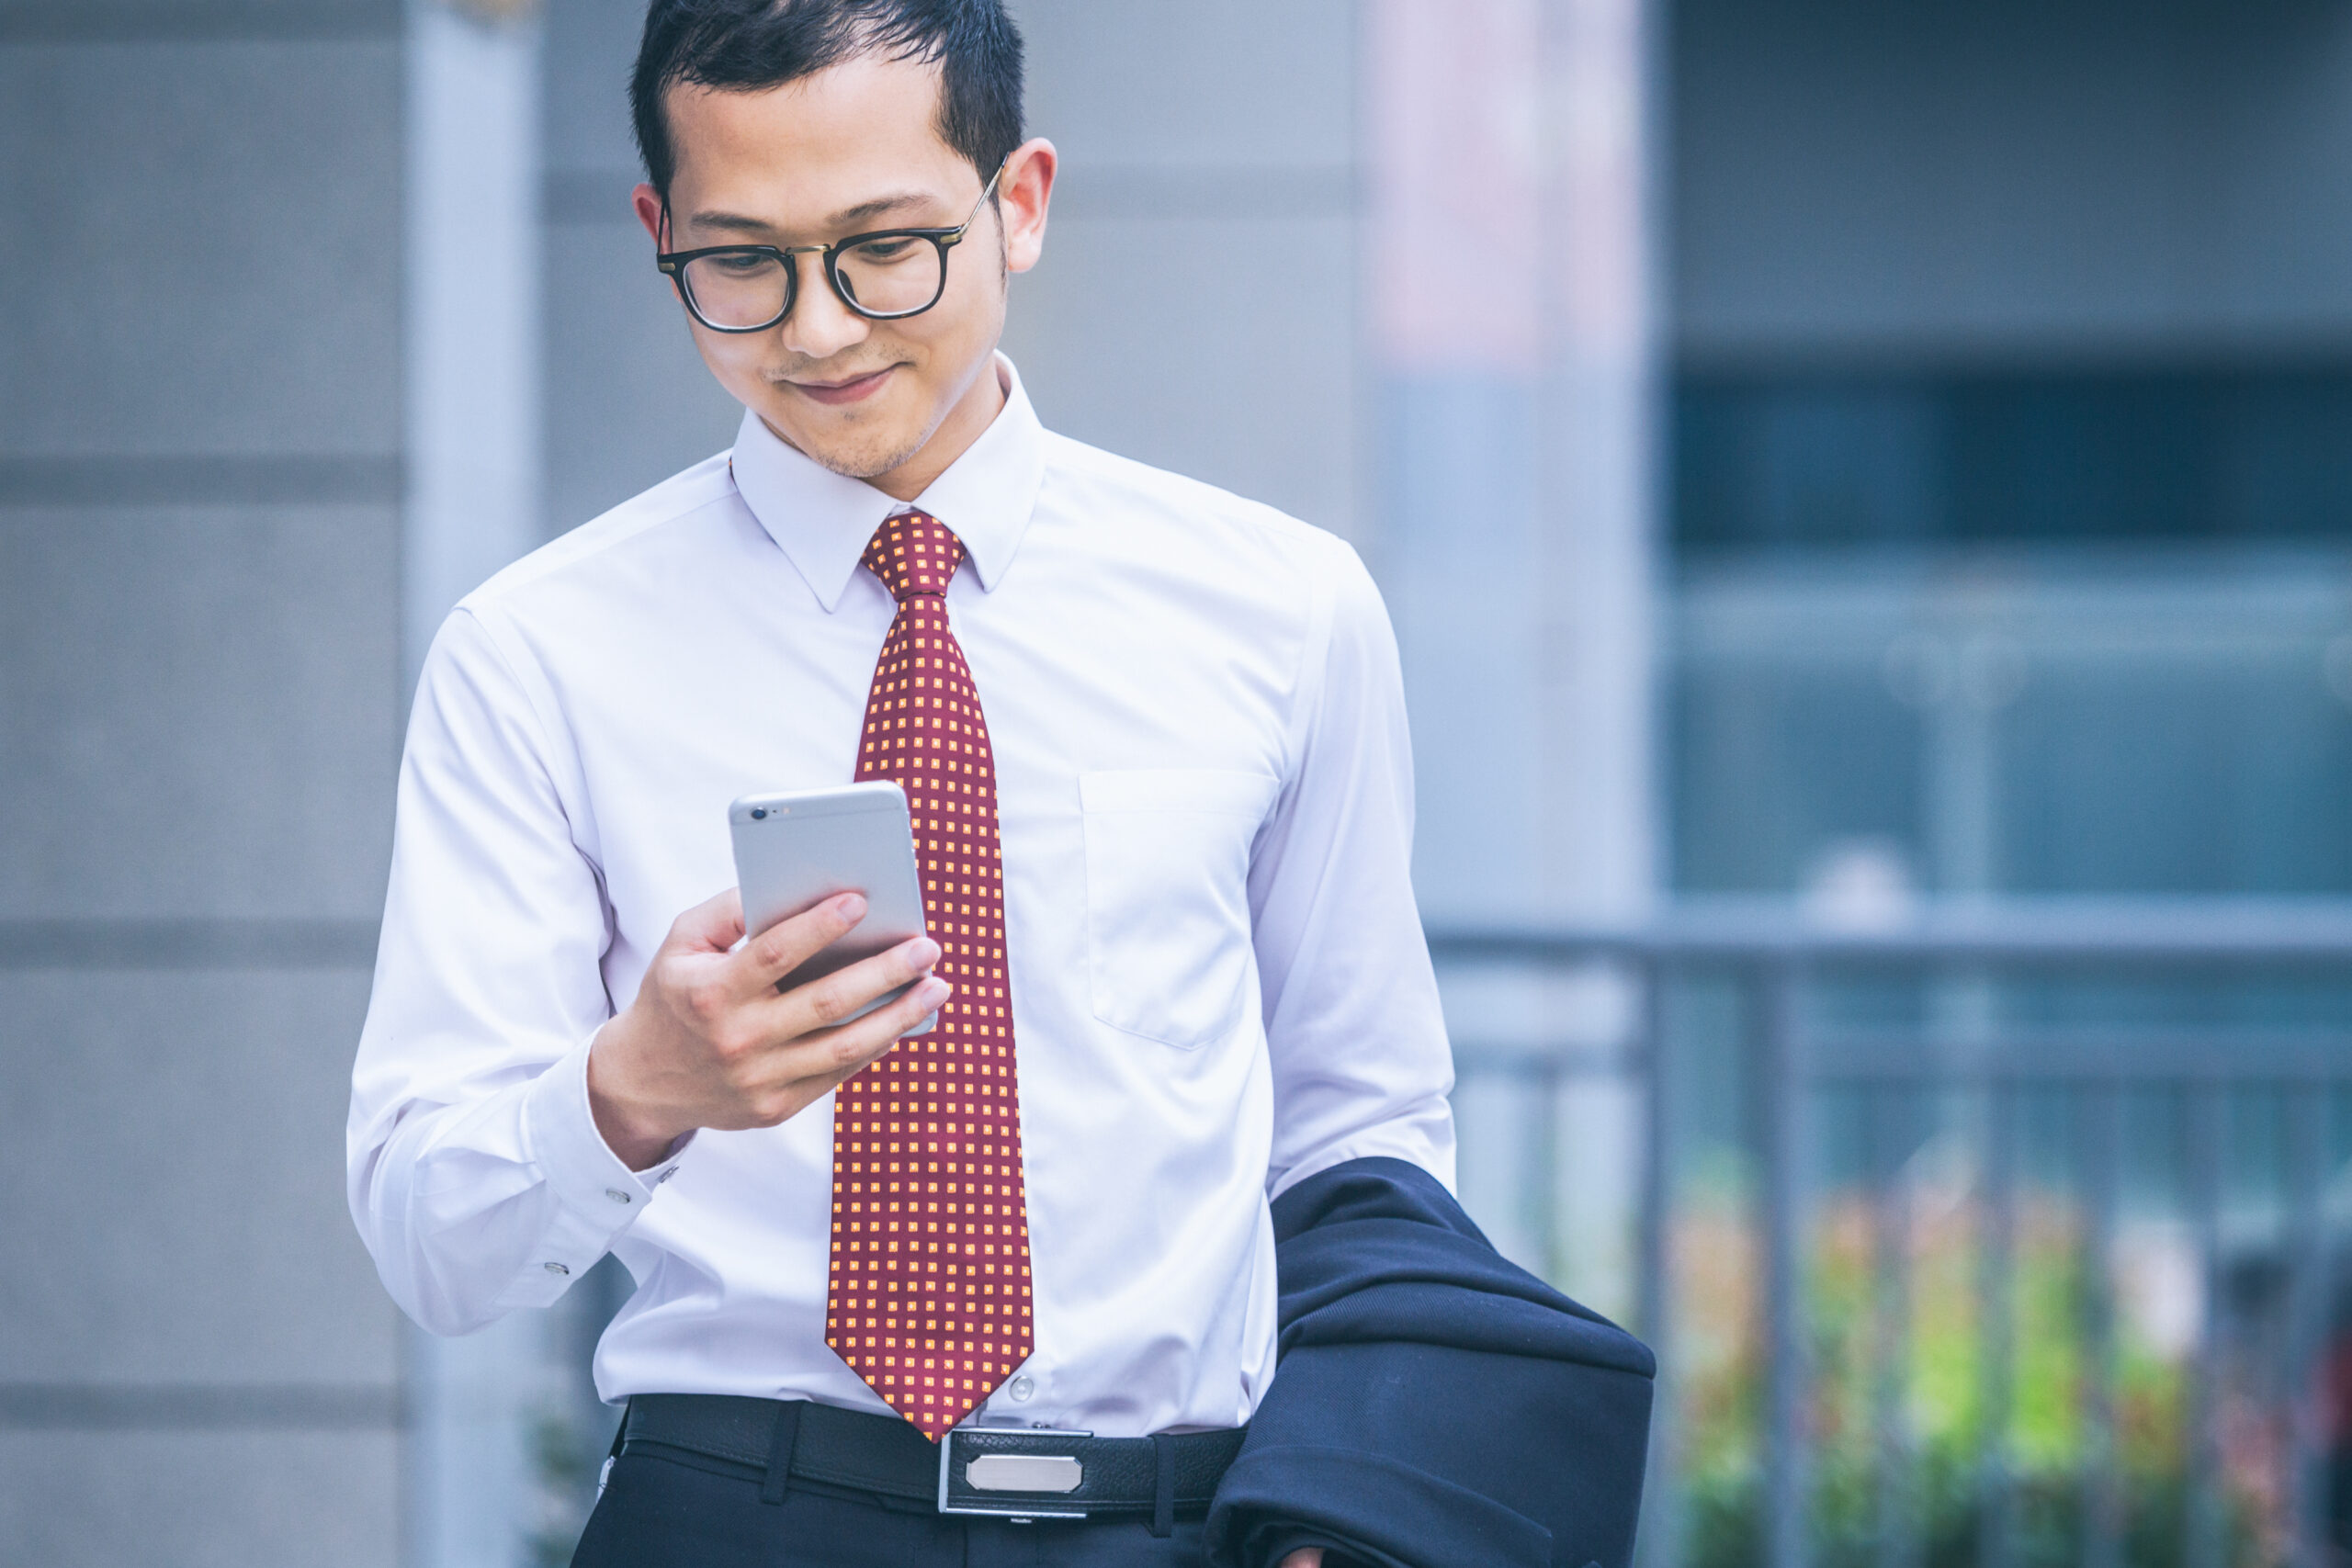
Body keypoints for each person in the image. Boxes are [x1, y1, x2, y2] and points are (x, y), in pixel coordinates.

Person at [347, 3, 1651, 1565]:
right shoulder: (538, 653)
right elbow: (433, 1239)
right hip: (737, 1516)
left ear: (1018, 201)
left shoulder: (1283, 610)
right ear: (657, 230)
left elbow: (1358, 1126)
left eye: (885, 247)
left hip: (1167, 1524)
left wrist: (1335, 1522)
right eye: (740, 262)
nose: (819, 329)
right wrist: (640, 1092)